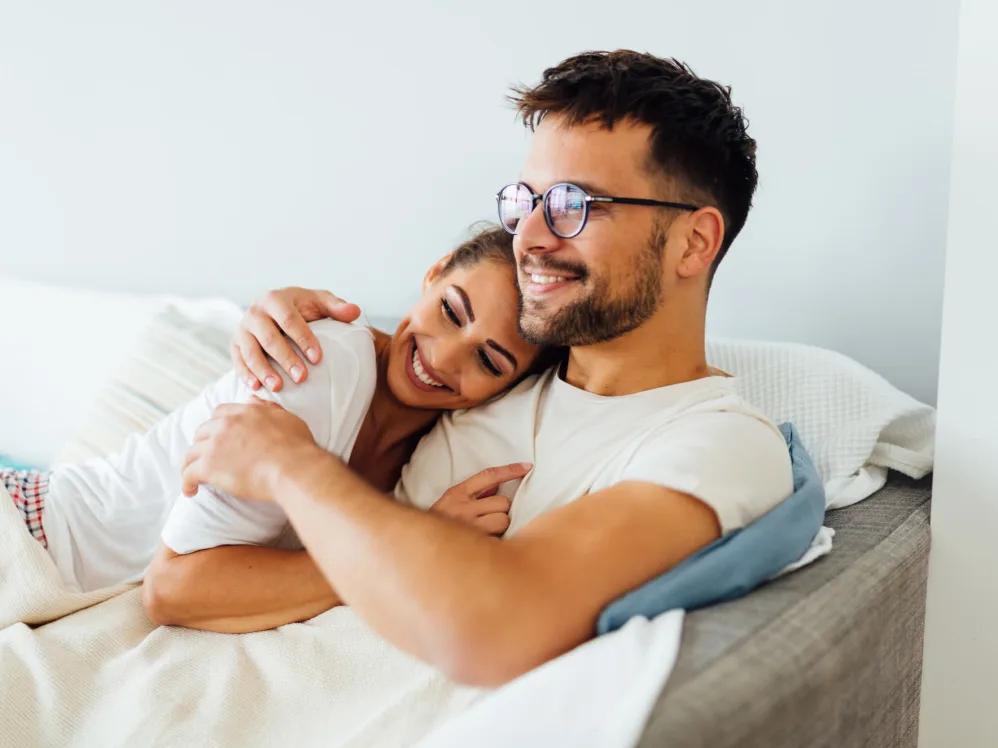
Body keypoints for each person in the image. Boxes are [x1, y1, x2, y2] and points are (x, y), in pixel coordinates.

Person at [182, 50, 795, 686]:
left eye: (573, 204)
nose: (529, 237)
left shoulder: (720, 441)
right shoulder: (494, 380)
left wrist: (287, 466)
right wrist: (298, 324)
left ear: (693, 242)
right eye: (526, 202)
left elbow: (498, 624)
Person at [4, 226, 549, 633]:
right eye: (452, 311)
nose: (444, 356)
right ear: (436, 271)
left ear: (510, 388)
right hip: (34, 533)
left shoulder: (431, 450)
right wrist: (397, 556)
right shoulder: (319, 363)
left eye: (490, 361)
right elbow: (173, 589)